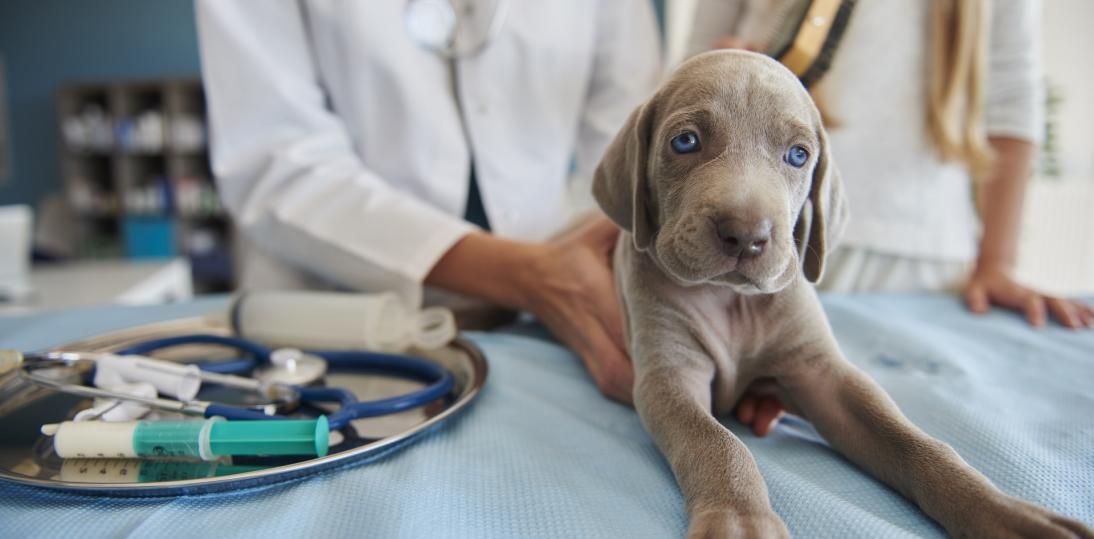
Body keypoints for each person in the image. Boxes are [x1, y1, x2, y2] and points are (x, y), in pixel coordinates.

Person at [195, 1, 661, 403]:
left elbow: (632, 140)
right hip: (342, 320)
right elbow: (275, 159)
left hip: (554, 314)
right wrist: (531, 276)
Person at [688, 0, 1093, 436]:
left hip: (924, 265)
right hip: (763, 240)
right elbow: (691, 63)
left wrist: (998, 264)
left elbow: (1012, 97)